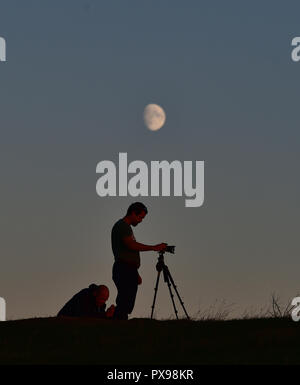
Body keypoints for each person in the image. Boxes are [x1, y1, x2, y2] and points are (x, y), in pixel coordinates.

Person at [111, 202, 167, 320]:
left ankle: (120, 322)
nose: (141, 220)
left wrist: (135, 272)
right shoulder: (122, 226)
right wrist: (153, 247)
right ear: (132, 213)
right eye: (140, 217)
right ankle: (118, 323)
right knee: (124, 301)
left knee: (127, 301)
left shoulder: (126, 228)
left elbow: (129, 251)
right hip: (124, 268)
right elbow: (131, 245)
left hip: (128, 269)